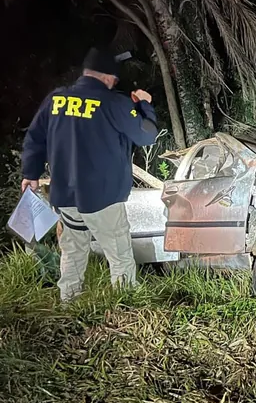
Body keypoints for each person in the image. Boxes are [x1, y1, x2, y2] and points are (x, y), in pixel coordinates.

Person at [20, 47, 159, 302]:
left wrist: (31, 173)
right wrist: (145, 105)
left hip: (66, 196)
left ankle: (69, 303)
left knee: (72, 251)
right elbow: (147, 134)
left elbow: (35, 138)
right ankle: (124, 306)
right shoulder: (114, 103)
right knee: (118, 254)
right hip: (102, 197)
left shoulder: (56, 100)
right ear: (109, 77)